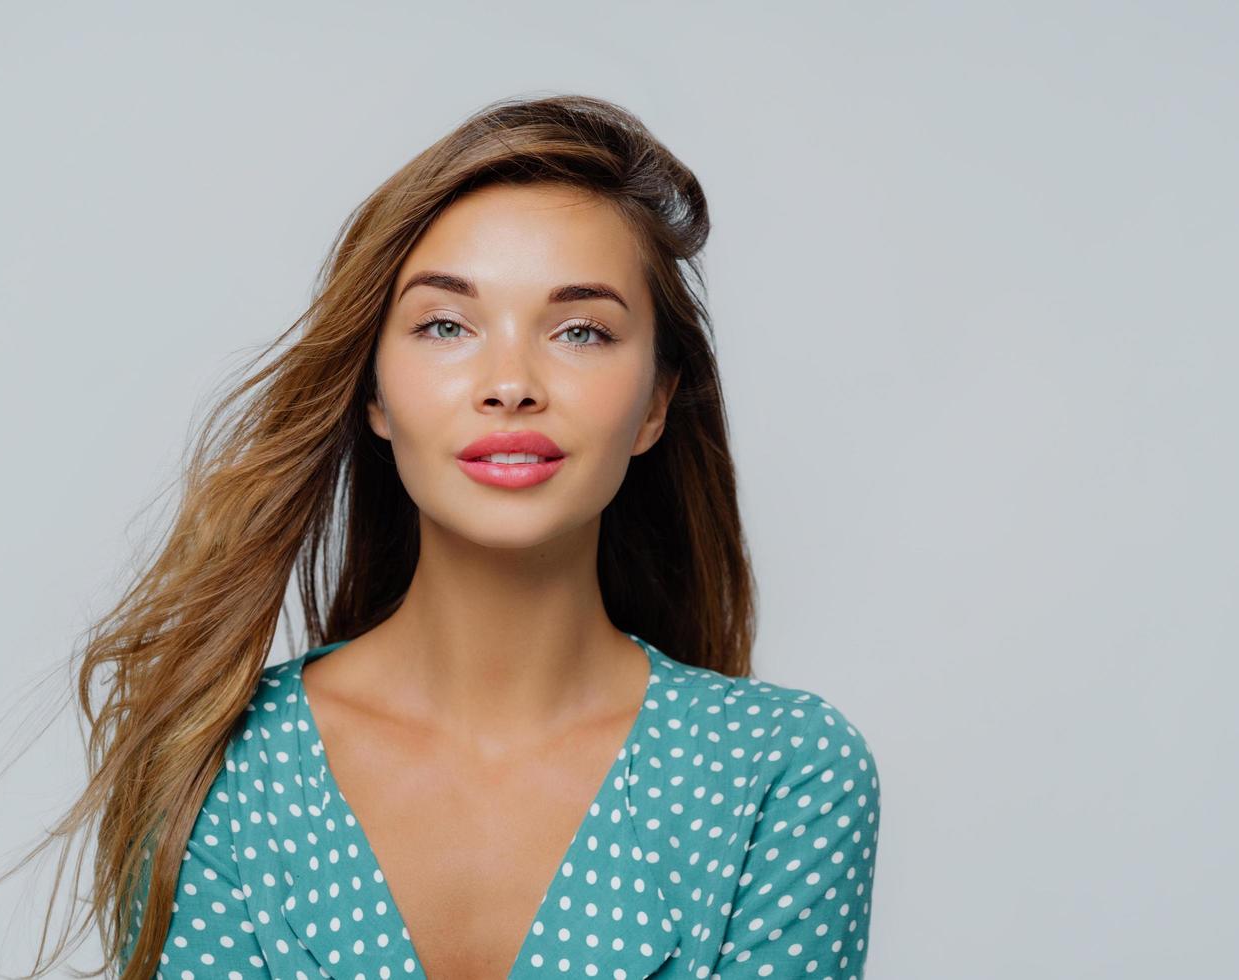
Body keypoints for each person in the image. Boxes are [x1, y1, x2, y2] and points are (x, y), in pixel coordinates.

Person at [93, 93, 880, 979]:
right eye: (446, 326)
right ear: (377, 394)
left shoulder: (782, 775)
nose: (511, 384)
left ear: (656, 402)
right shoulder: (219, 765)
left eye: (581, 330)